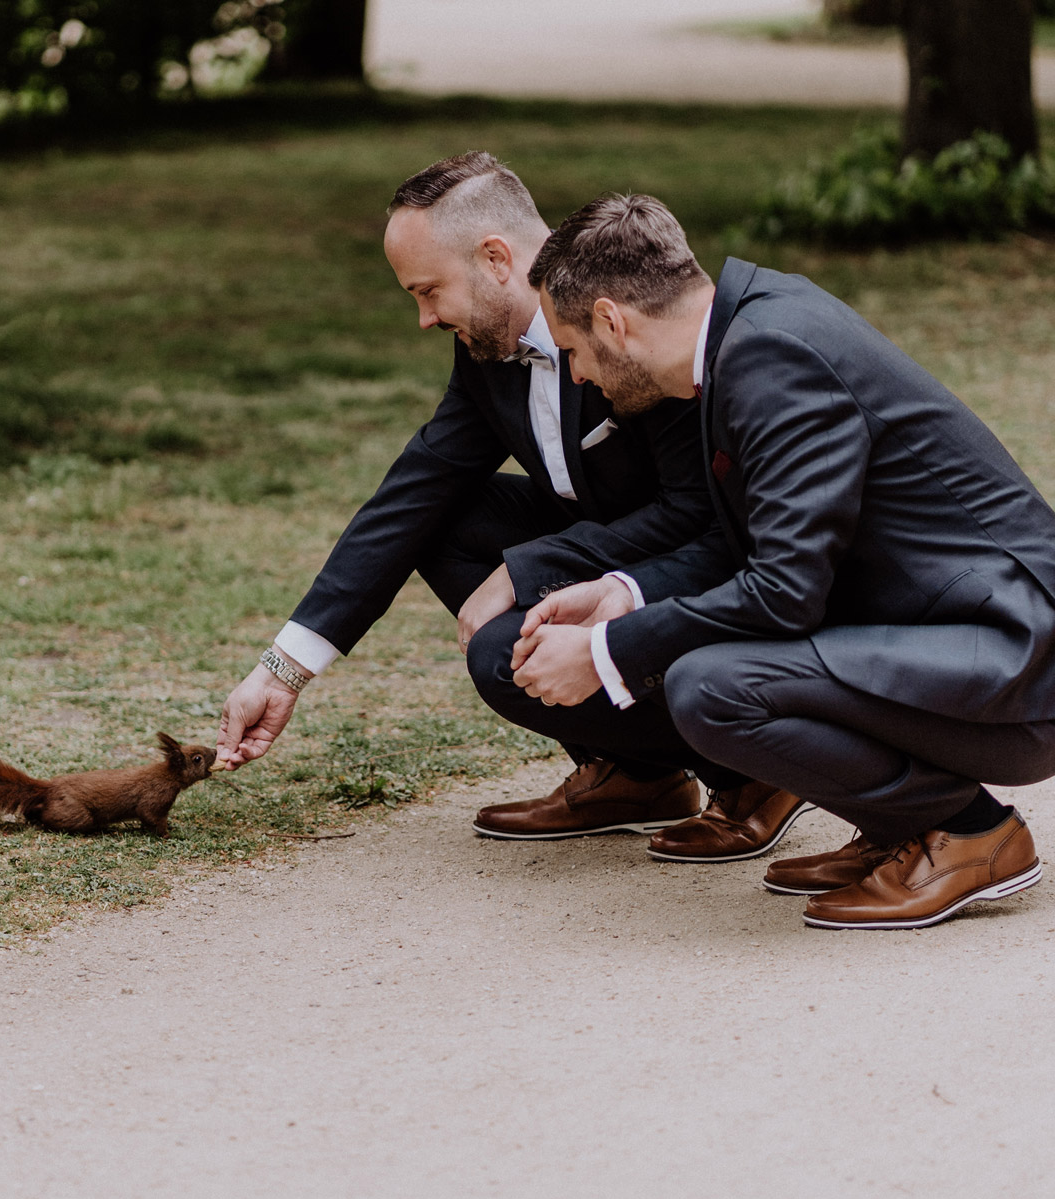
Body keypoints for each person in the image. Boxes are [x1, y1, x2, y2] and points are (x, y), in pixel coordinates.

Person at [215, 153, 803, 849]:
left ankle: (752, 772)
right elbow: (413, 493)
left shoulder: (631, 320)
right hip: (609, 537)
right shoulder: (486, 348)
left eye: (429, 291)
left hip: (701, 563)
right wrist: (283, 670)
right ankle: (639, 772)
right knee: (442, 517)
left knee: (500, 655)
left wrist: (526, 569)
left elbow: (697, 513)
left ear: (496, 258)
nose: (424, 319)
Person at [513, 192, 1055, 929]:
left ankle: (969, 833)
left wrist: (607, 652)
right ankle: (904, 826)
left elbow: (785, 591)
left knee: (711, 687)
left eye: (572, 350)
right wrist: (623, 595)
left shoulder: (770, 355)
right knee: (709, 672)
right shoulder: (751, 327)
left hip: (1014, 663)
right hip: (961, 639)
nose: (576, 377)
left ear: (612, 320)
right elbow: (756, 538)